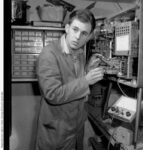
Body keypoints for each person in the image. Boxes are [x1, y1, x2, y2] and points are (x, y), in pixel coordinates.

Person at [35, 9, 104, 150]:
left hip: (76, 128)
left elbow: (72, 82)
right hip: (56, 132)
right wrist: (86, 81)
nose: (78, 37)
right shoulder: (49, 54)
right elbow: (53, 94)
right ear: (67, 28)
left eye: (84, 33)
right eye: (75, 29)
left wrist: (87, 70)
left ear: (89, 36)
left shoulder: (79, 52)